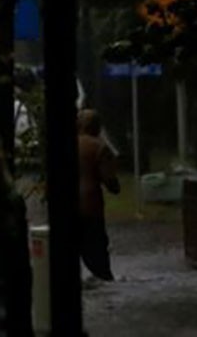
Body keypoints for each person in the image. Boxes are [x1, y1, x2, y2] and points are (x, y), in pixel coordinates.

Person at [77, 108, 120, 281]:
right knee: (97, 254)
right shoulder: (99, 147)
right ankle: (106, 283)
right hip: (89, 207)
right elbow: (110, 181)